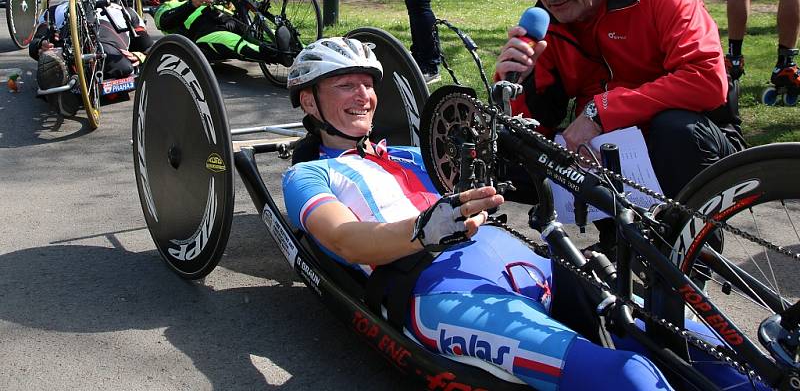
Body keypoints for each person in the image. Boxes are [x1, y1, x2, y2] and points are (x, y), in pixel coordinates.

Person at [282, 36, 753, 391]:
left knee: (703, 346)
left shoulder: (408, 154)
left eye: (367, 85)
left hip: (529, 265)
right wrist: (425, 229)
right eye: (346, 86)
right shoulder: (309, 176)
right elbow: (344, 240)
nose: (363, 96)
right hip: (444, 290)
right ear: (309, 101)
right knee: (627, 376)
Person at [496, 0, 745, 202]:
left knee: (675, 130)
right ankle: (613, 244)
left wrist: (602, 111)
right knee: (500, 160)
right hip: (609, 157)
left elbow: (707, 81)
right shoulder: (547, 22)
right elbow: (534, 132)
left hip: (699, 142)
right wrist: (513, 86)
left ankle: (696, 246)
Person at [30, 0, 153, 115]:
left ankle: (67, 94)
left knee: (122, 65)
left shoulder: (125, 11)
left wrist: (141, 55)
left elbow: (148, 46)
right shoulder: (57, 11)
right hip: (68, 56)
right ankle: (64, 92)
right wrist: (42, 45)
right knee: (50, 60)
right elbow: (34, 45)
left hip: (109, 56)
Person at [152, 0, 292, 66]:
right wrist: (191, 3)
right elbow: (165, 22)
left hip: (229, 20)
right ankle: (277, 55)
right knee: (234, 42)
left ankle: (303, 49)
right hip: (205, 33)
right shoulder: (164, 7)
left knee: (265, 34)